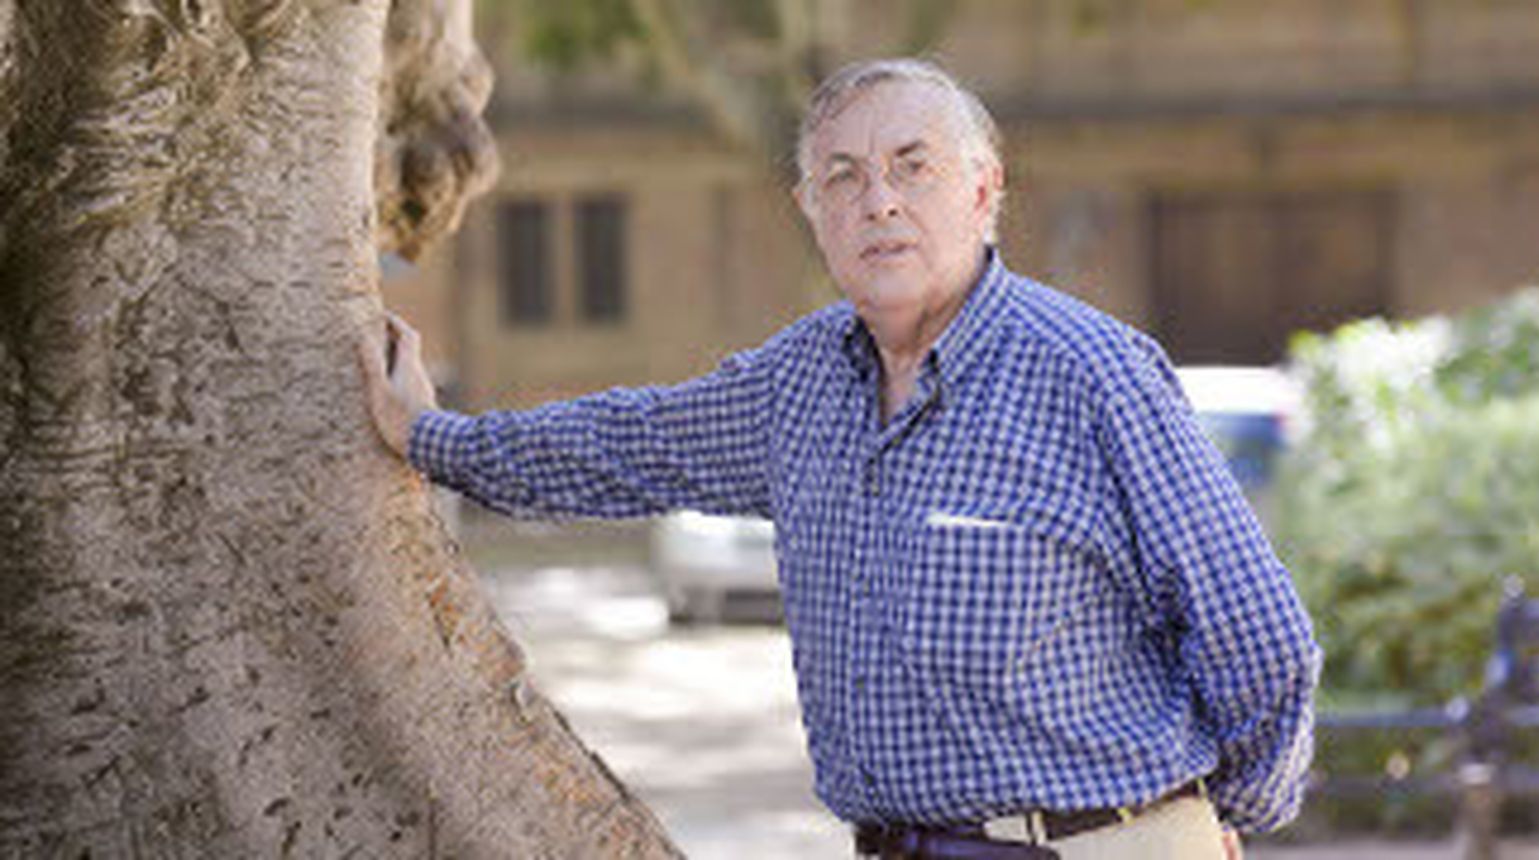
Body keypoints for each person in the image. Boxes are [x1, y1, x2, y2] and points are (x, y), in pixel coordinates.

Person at [359, 57, 1320, 860]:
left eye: (914, 167)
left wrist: (1190, 826)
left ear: (984, 192)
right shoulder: (797, 383)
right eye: (845, 177)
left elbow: (1262, 640)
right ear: (811, 209)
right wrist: (433, 438)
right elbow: (625, 446)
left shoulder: (1094, 374)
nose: (880, 203)